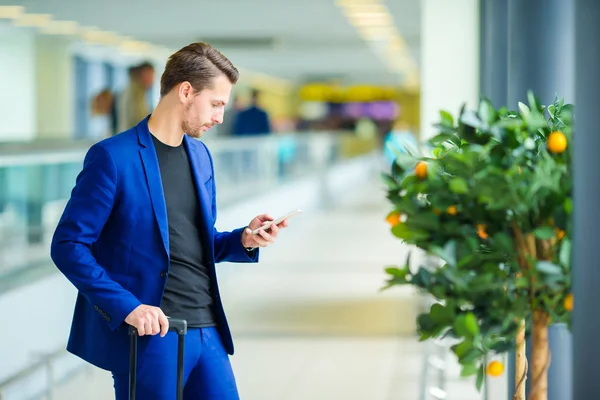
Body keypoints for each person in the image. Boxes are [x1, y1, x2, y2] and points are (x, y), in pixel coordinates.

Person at [50, 42, 288, 400]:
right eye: (216, 104)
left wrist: (244, 240)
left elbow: (194, 241)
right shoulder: (113, 158)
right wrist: (127, 306)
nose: (220, 117)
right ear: (186, 92)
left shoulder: (201, 155)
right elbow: (68, 246)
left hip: (208, 330)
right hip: (151, 334)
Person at [117, 61, 155, 133]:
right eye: (151, 75)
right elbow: (138, 119)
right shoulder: (135, 93)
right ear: (143, 74)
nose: (152, 80)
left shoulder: (131, 90)